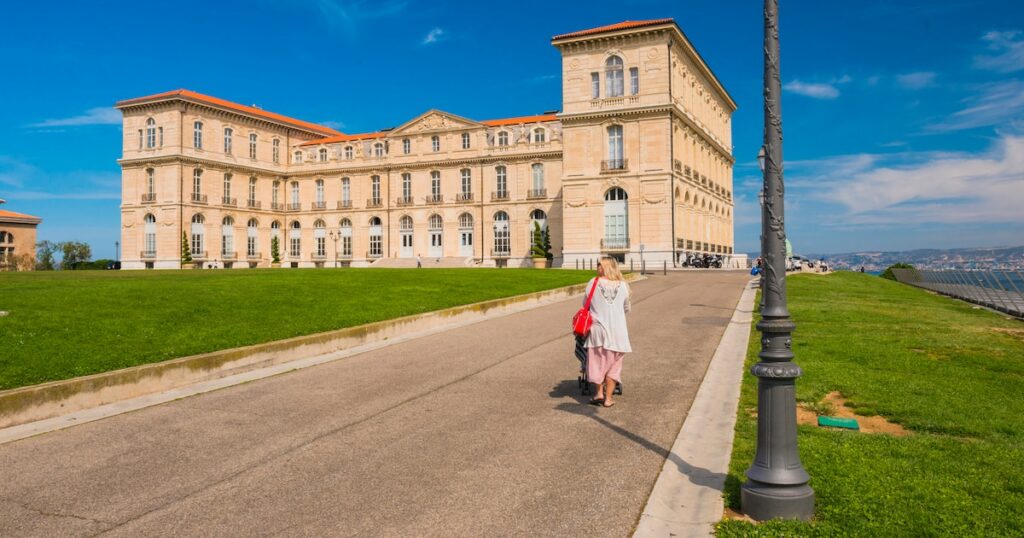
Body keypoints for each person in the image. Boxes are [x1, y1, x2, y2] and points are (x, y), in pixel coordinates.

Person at [584, 257, 632, 407]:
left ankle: (598, 393)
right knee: (614, 366)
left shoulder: (593, 283)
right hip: (618, 332)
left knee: (597, 363)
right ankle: (608, 399)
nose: (597, 267)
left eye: (599, 264)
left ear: (603, 268)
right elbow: (627, 308)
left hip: (598, 330)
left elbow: (585, 304)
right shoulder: (623, 286)